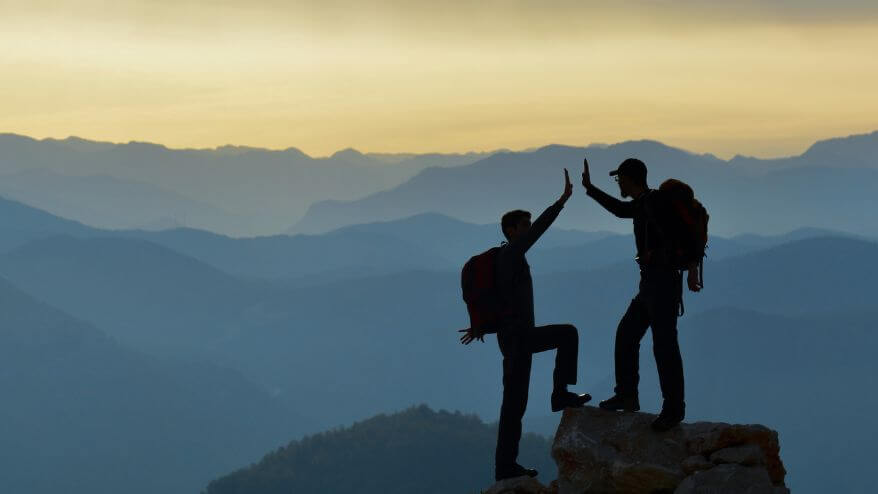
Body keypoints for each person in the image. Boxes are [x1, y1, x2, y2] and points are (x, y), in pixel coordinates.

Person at [461, 169, 590, 481]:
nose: (529, 230)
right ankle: (559, 396)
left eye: (528, 225)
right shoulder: (512, 254)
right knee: (567, 335)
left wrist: (484, 327)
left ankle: (506, 466)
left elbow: (504, 307)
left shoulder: (507, 259)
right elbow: (540, 231)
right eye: (524, 226)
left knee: (514, 405)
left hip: (514, 338)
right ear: (511, 231)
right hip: (519, 339)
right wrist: (561, 202)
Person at [580, 157, 701, 432]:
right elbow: (621, 210)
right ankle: (627, 395)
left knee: (664, 346)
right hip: (651, 284)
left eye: (619, 178)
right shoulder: (645, 203)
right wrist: (590, 188)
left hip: (663, 284)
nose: (618, 183)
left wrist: (663, 259)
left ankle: (673, 409)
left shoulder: (656, 203)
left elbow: (681, 241)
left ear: (629, 177)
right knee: (627, 334)